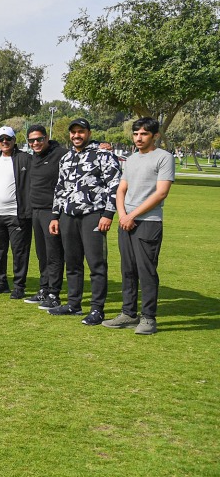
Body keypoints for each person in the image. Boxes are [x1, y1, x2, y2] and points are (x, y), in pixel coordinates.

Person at [103, 117, 174, 335]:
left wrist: (132, 215)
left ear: (155, 136)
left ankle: (149, 318)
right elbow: (121, 189)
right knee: (128, 270)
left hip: (148, 223)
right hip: (127, 221)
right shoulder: (131, 159)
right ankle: (128, 313)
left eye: (144, 134)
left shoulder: (164, 157)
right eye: (136, 134)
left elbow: (161, 193)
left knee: (146, 271)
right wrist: (123, 215)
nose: (139, 138)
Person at [49, 118, 122, 325]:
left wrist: (108, 214)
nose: (76, 136)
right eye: (73, 132)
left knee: (96, 264)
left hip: (93, 215)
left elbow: (115, 185)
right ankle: (74, 304)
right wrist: (55, 216)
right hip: (68, 216)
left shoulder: (103, 155)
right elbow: (60, 188)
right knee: (72, 263)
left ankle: (97, 309)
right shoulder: (66, 158)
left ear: (89, 133)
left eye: (81, 132)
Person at [0, 126, 32, 299]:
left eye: (8, 139)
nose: (5, 142)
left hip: (17, 215)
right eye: (1, 139)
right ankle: (0, 283)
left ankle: (19, 286)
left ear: (14, 140)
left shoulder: (25, 159)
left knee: (19, 252)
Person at [25, 124, 69, 309]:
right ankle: (44, 289)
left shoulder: (61, 154)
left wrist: (56, 215)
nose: (35, 143)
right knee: (42, 254)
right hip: (36, 211)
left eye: (39, 139)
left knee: (54, 254)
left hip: (52, 212)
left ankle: (54, 293)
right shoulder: (33, 157)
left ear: (47, 138)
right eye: (32, 140)